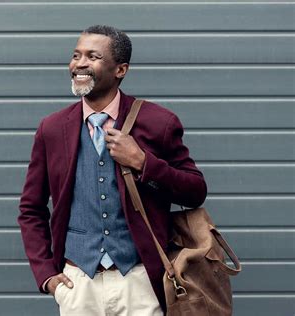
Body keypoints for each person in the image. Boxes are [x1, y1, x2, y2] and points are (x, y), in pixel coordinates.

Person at [18, 25, 207, 316]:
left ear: (120, 69)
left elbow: (195, 191)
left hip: (141, 281)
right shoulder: (52, 129)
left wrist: (144, 163)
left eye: (92, 56)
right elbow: (31, 209)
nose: (79, 63)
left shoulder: (159, 122)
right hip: (78, 283)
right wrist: (47, 276)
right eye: (76, 55)